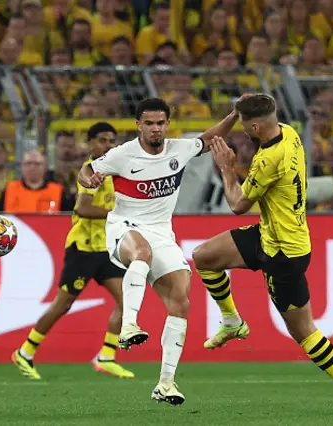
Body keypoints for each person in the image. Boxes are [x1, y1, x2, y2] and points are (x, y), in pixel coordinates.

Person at [191, 94, 333, 413]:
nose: (243, 131)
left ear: (256, 125)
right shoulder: (289, 132)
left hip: (284, 254)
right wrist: (237, 111)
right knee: (204, 256)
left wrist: (227, 169)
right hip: (270, 235)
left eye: (246, 125)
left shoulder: (267, 161)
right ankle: (232, 320)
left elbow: (236, 205)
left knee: (303, 331)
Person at [77, 97, 241, 405]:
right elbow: (86, 170)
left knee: (180, 298)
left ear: (167, 124)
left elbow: (209, 138)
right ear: (138, 125)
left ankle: (166, 383)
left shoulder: (179, 149)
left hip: (162, 232)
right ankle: (129, 325)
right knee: (141, 252)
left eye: (160, 123)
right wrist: (92, 179)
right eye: (149, 123)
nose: (155, 129)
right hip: (123, 226)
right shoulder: (123, 154)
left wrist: (234, 114)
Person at [11, 122, 135, 380]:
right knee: (62, 304)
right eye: (101, 140)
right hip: (83, 248)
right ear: (90, 143)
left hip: (105, 249)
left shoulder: (114, 171)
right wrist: (117, 214)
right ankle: (25, 351)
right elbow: (83, 209)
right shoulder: (91, 170)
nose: (108, 145)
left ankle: (107, 356)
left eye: (111, 140)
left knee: (128, 301)